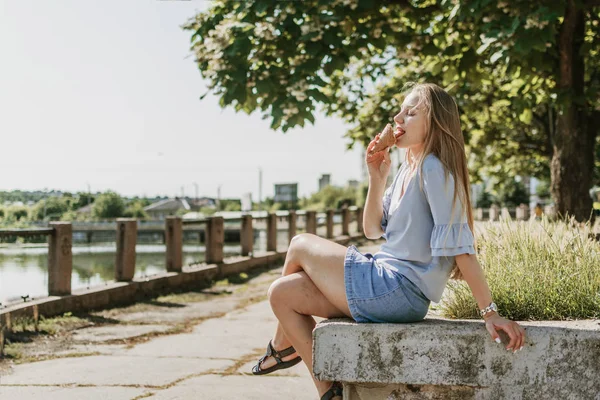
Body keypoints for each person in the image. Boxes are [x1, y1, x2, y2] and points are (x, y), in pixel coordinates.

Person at [251, 83, 526, 400]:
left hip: (398, 289)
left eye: (411, 112)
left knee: (300, 243)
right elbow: (371, 229)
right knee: (281, 294)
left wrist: (490, 313)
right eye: (400, 111)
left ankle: (281, 347)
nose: (398, 118)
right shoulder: (409, 169)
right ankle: (329, 391)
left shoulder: (434, 169)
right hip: (386, 285)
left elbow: (460, 247)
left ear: (436, 121)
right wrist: (376, 178)